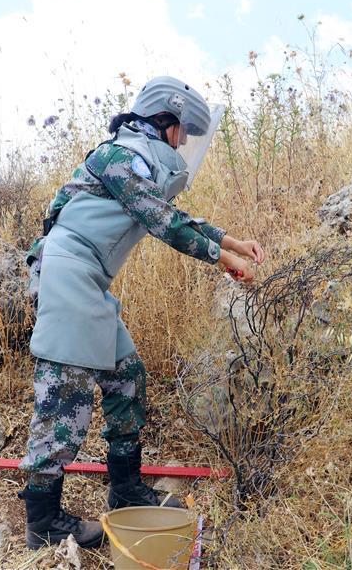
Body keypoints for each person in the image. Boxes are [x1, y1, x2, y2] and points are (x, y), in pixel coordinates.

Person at [18, 76, 265, 550]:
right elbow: (160, 221)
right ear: (166, 123)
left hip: (89, 280)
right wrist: (225, 260)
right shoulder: (119, 156)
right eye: (183, 131)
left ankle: (125, 488)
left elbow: (173, 214)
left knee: (127, 379)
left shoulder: (138, 161)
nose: (185, 142)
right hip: (67, 273)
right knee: (64, 402)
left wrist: (230, 241)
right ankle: (43, 521)